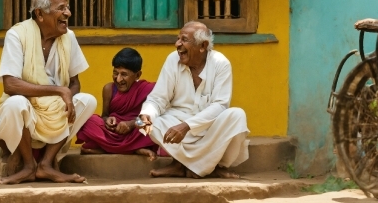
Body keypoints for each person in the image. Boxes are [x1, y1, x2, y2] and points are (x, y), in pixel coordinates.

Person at [0, 0, 97, 185]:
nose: (68, 14)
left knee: (88, 101)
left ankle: (46, 164)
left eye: (68, 8)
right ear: (40, 14)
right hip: (25, 112)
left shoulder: (69, 37)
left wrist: (67, 99)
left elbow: (74, 83)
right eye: (61, 9)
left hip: (54, 111)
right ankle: (28, 166)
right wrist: (59, 91)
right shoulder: (17, 34)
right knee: (16, 103)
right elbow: (10, 84)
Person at [137, 21, 249, 179]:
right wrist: (146, 114)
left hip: (209, 127)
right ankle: (201, 168)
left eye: (184, 40)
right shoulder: (172, 60)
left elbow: (220, 105)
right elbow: (157, 99)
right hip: (177, 120)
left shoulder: (220, 63)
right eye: (178, 39)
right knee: (149, 123)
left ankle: (193, 167)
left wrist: (187, 126)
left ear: (202, 46)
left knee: (237, 116)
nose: (177, 44)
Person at [76, 47, 159, 161]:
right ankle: (133, 149)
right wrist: (107, 120)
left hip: (135, 131)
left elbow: (153, 116)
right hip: (114, 132)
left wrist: (132, 124)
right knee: (88, 120)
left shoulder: (147, 89)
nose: (119, 79)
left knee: (156, 123)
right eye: (115, 73)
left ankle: (107, 148)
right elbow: (104, 115)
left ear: (137, 75)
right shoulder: (109, 89)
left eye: (124, 74)